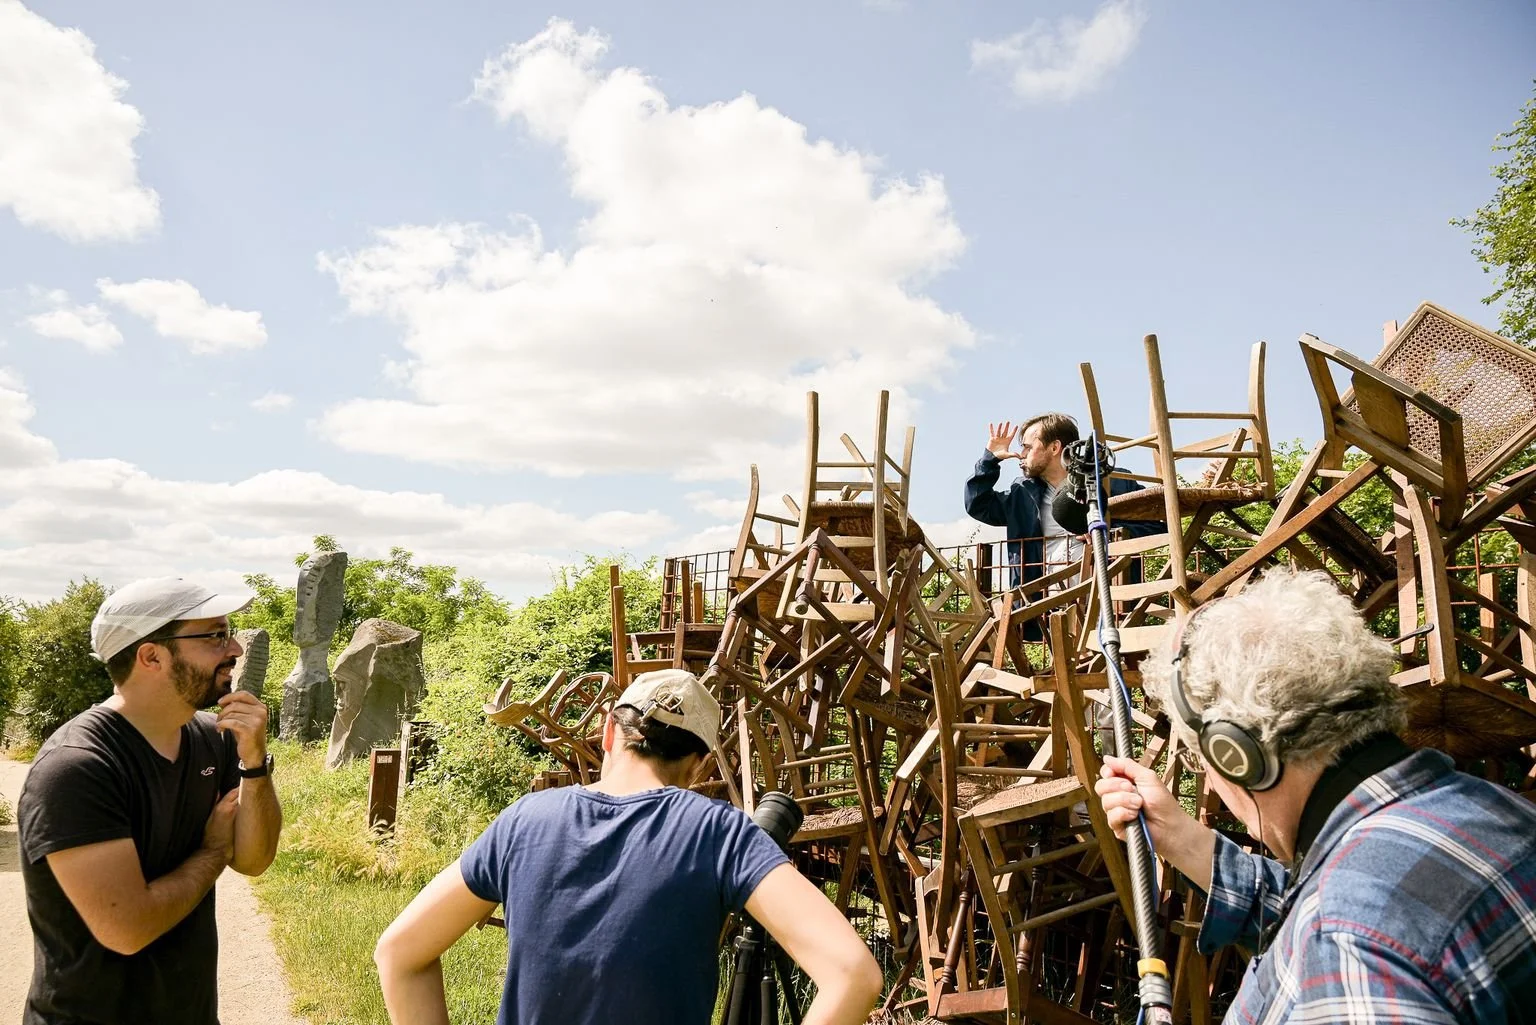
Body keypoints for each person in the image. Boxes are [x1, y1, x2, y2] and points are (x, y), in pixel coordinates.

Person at [1096, 569, 1536, 1023]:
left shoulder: (1347, 946)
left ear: (1237, 755)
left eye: (1200, 759)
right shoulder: (1498, 810)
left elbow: (1347, 926)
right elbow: (1339, 904)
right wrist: (1185, 841)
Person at [375, 669, 882, 1025]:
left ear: (607, 732)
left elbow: (399, 952)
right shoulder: (720, 833)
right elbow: (853, 974)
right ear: (699, 766)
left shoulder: (523, 821)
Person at [16, 577, 283, 1025]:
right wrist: (214, 851)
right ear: (152, 656)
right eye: (215, 635)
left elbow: (254, 859)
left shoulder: (213, 739)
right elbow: (128, 929)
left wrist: (254, 763)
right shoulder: (78, 768)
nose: (235, 648)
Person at [964, 412, 1162, 594]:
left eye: (1027, 447)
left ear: (1054, 447)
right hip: (1041, 613)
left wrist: (1109, 534)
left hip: (1108, 602)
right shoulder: (1022, 493)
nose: (1021, 454)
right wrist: (989, 460)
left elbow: (1157, 526)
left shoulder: (1114, 483)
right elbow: (977, 504)